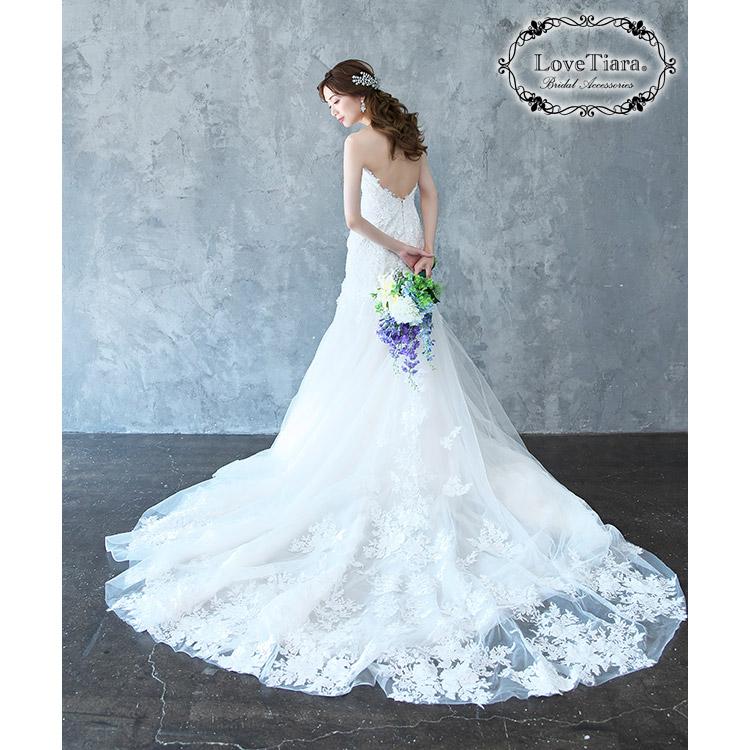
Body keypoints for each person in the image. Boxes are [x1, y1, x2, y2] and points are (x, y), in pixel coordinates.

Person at [104, 59, 687, 707]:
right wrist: (425, 247)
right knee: (412, 362)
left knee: (368, 354)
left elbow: (353, 220)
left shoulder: (359, 143)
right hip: (410, 259)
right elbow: (429, 195)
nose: (333, 112)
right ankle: (420, 457)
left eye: (335, 101)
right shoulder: (408, 138)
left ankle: (362, 459)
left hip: (377, 262)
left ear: (358, 98)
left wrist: (400, 249)